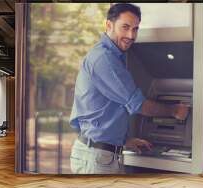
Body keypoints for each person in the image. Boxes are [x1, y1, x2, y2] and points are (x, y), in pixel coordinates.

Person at [69, 3, 190, 174]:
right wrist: (175, 110)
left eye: (135, 29)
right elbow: (139, 105)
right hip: (96, 158)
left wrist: (124, 141)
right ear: (108, 25)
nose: (131, 35)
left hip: (99, 154)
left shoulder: (114, 56)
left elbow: (103, 112)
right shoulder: (105, 59)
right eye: (125, 27)